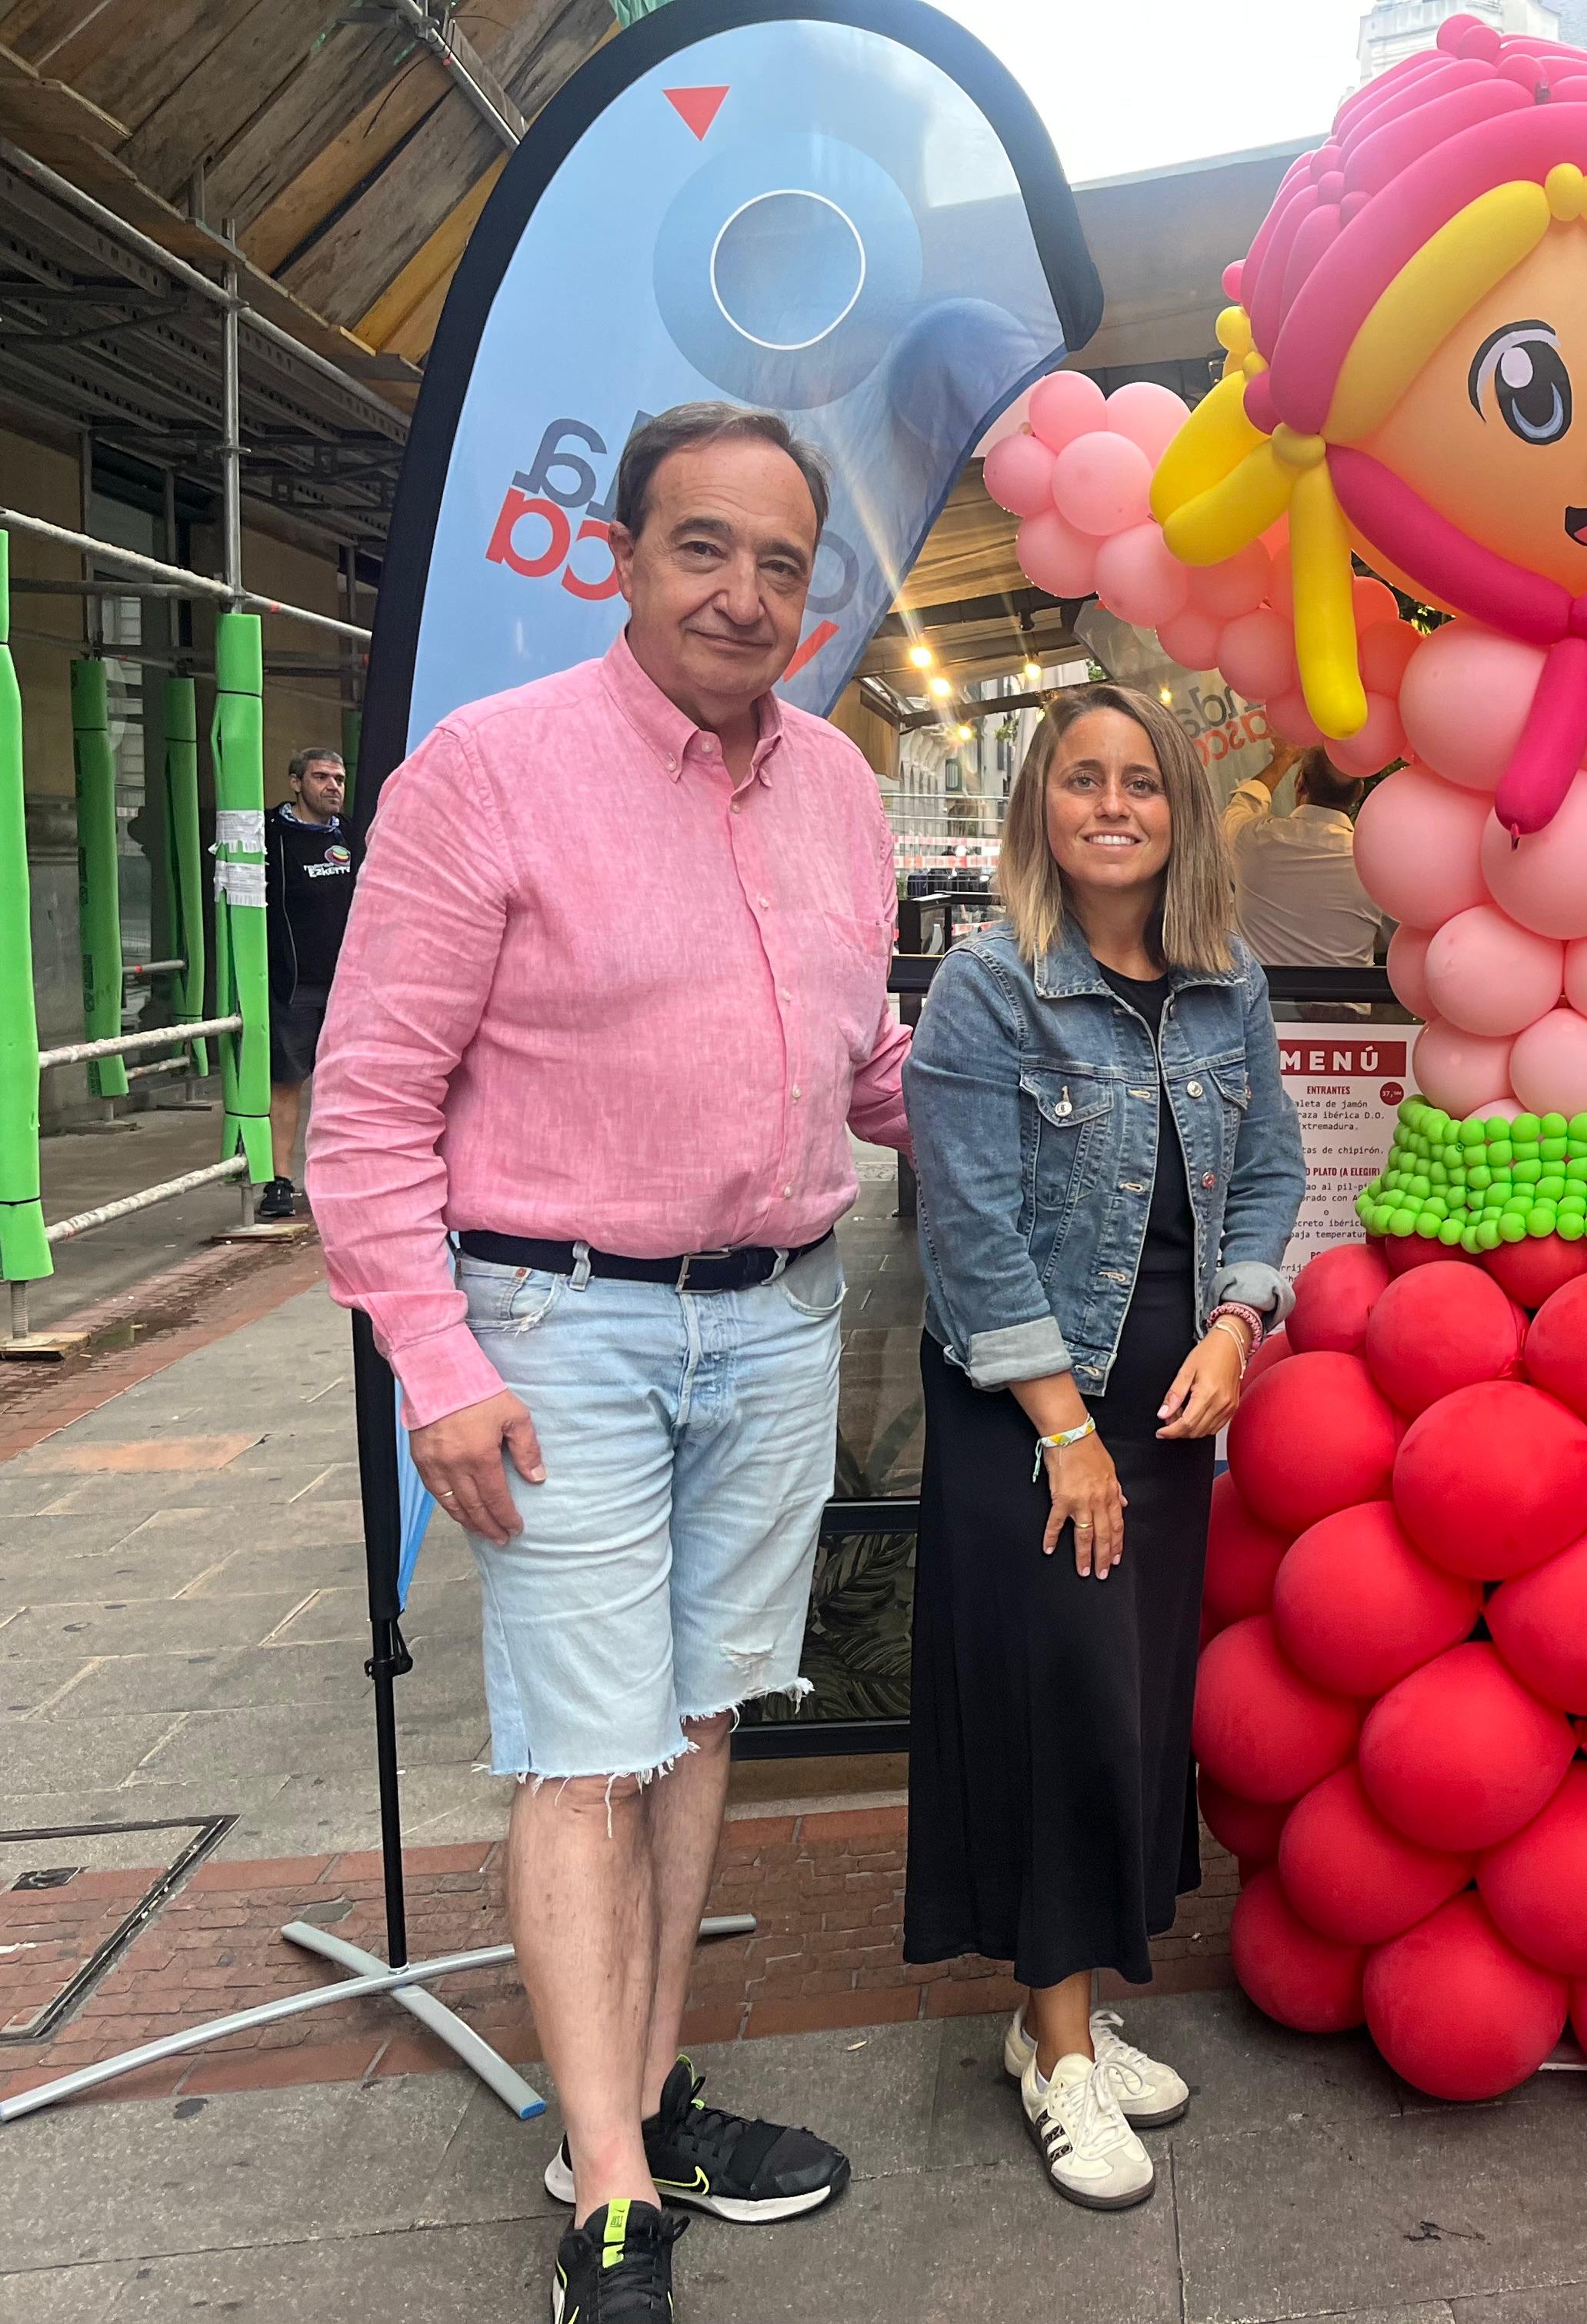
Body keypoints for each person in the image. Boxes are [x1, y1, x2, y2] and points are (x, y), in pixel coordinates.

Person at [308, 403, 909, 2324]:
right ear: (624, 554)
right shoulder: (486, 774)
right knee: (583, 1756)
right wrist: (435, 1359)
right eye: (701, 547)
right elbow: (367, 1111)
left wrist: (1036, 1066)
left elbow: (853, 1060)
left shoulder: (837, 786)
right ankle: (617, 2204)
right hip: (558, 1330)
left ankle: (632, 2101)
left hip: (781, 1315)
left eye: (779, 562)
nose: (742, 593)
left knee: (708, 1717)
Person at [900, 681, 1304, 2210]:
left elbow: (1262, 1174)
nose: (1115, 803)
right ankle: (1061, 2054)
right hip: (1032, 1416)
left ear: (1178, 812)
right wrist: (1064, 1425)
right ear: (1037, 807)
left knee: (1134, 1708)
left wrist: (1240, 1321)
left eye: (1141, 779)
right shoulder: (990, 989)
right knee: (1064, 1701)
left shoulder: (1224, 983)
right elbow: (973, 1231)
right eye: (1082, 779)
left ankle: (1057, 2010)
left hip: (1172, 1402)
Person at [258, 744, 352, 1220]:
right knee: (287, 1083)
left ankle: (338, 1180)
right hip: (294, 983)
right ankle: (279, 1181)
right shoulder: (270, 835)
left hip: (351, 988)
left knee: (349, 1086)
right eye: (321, 777)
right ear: (296, 783)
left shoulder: (352, 835)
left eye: (338, 778)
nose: (332, 786)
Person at [1229, 747, 1385, 969]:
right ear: (1359, 792)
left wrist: (1284, 758)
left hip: (1264, 1001)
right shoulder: (1377, 865)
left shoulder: (1253, 840)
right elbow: (1391, 934)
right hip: (1345, 1000)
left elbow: (1242, 805)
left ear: (1300, 782)